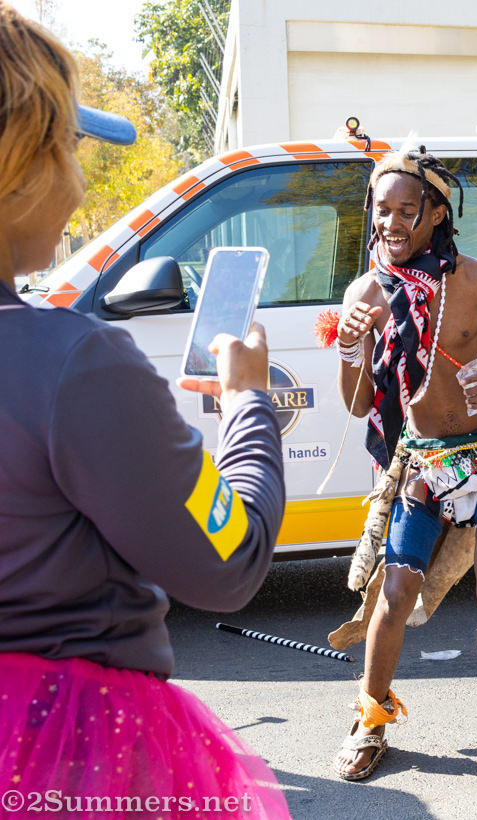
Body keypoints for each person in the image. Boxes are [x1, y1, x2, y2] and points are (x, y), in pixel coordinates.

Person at [0, 6, 291, 818]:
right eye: (70, 150)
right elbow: (227, 557)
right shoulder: (70, 361)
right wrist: (247, 403)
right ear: (17, 165)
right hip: (69, 762)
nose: (81, 182)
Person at [331, 147, 477, 779]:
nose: (390, 224)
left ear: (436, 214)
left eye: (405, 210)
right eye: (381, 211)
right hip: (420, 465)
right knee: (394, 594)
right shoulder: (367, 290)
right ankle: (370, 717)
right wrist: (349, 345)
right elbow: (360, 402)